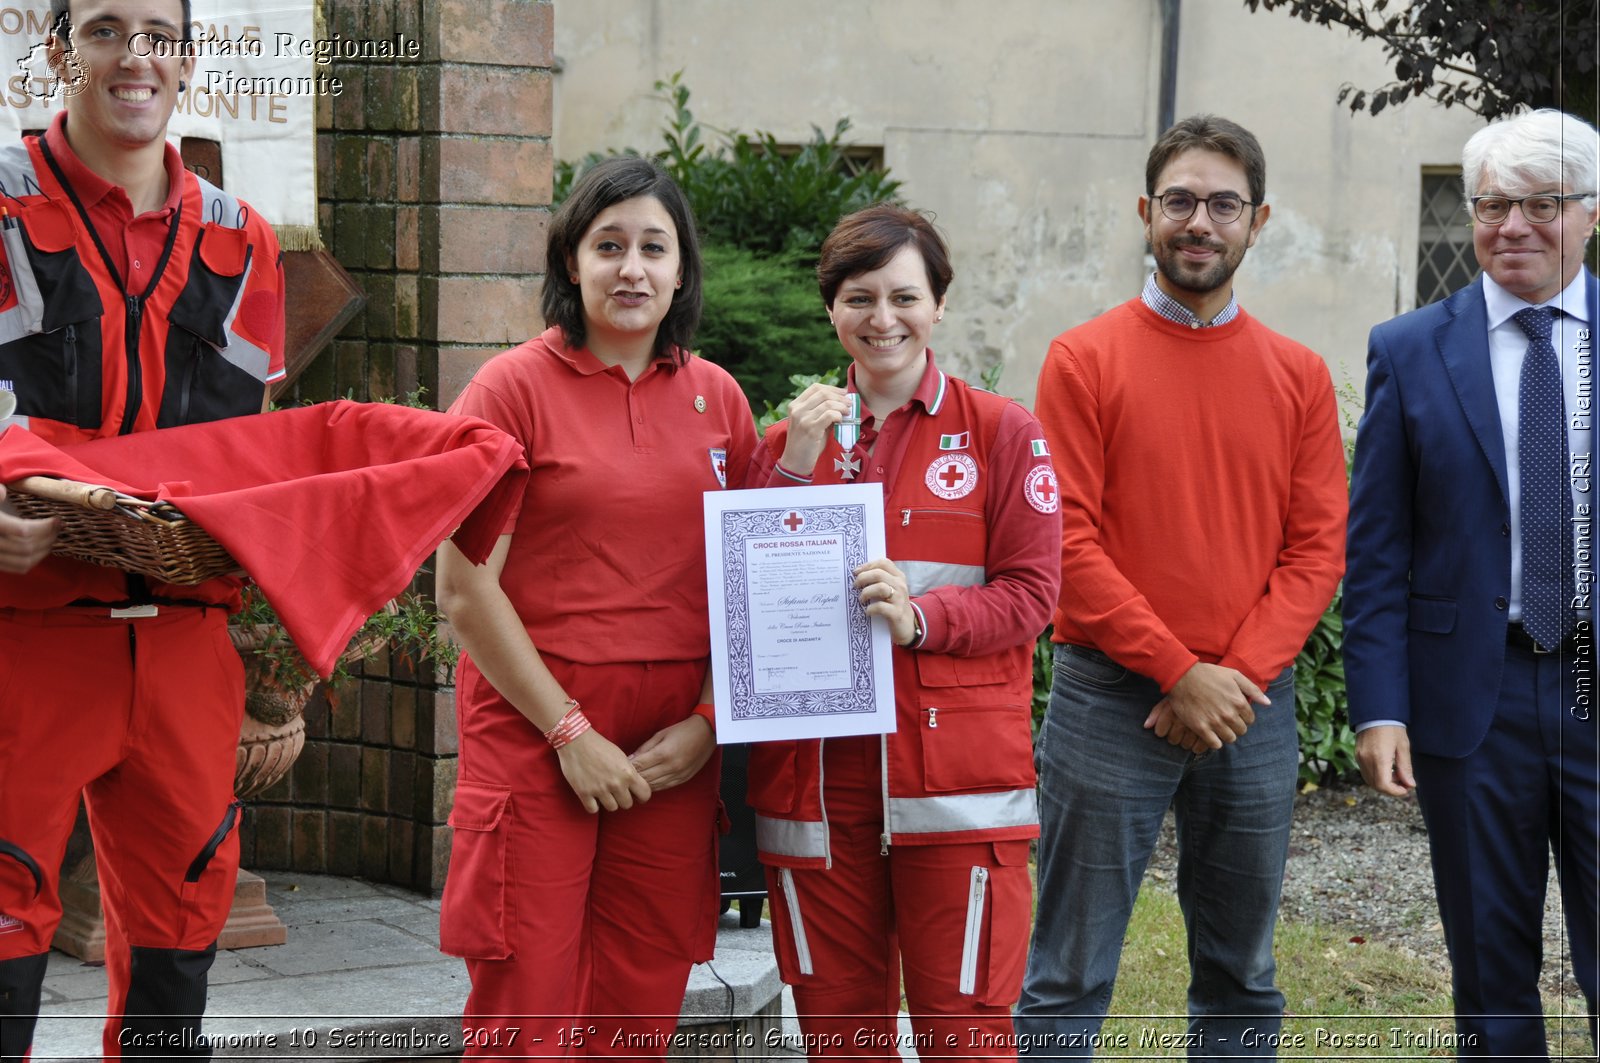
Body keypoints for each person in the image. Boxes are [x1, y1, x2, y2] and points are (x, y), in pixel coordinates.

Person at [1013, 115, 1347, 1057]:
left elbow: (1318, 550)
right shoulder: (1084, 359)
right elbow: (1064, 538)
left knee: (1243, 971)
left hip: (1251, 703)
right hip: (1109, 697)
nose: (1200, 221)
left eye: (1223, 203)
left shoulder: (1299, 375)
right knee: (1068, 970)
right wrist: (1173, 669)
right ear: (1146, 213)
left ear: (1258, 219)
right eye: (1181, 201)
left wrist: (1227, 679)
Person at [0, 2, 286, 1059]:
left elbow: (251, 460)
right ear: (58, 51)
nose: (137, 56)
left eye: (160, 34)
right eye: (107, 28)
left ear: (188, 61)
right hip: (22, 632)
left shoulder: (242, 239)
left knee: (184, 915)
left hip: (180, 641)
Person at [435, 155, 758, 1058]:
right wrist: (569, 733)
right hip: (538, 729)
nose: (632, 268)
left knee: (640, 1002)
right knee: (524, 1007)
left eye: (655, 247)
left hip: (671, 748)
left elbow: (750, 590)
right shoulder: (510, 390)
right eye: (608, 244)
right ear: (570, 262)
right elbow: (462, 590)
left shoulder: (719, 399)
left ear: (682, 268)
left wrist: (707, 723)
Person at [744, 203, 1061, 1059]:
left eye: (903, 296)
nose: (882, 319)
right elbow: (747, 608)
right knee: (842, 1044)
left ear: (939, 304)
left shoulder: (1003, 434)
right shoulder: (788, 441)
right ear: (831, 310)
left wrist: (923, 618)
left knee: (967, 1040)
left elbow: (1034, 596)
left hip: (956, 794)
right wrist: (792, 470)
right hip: (818, 793)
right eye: (858, 298)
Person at [1344, 108, 1598, 1060]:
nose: (1512, 227)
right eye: (1492, 204)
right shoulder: (1409, 348)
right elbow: (1379, 547)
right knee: (1490, 970)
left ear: (1592, 214)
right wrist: (1379, 706)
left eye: (1543, 204)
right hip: (1469, 702)